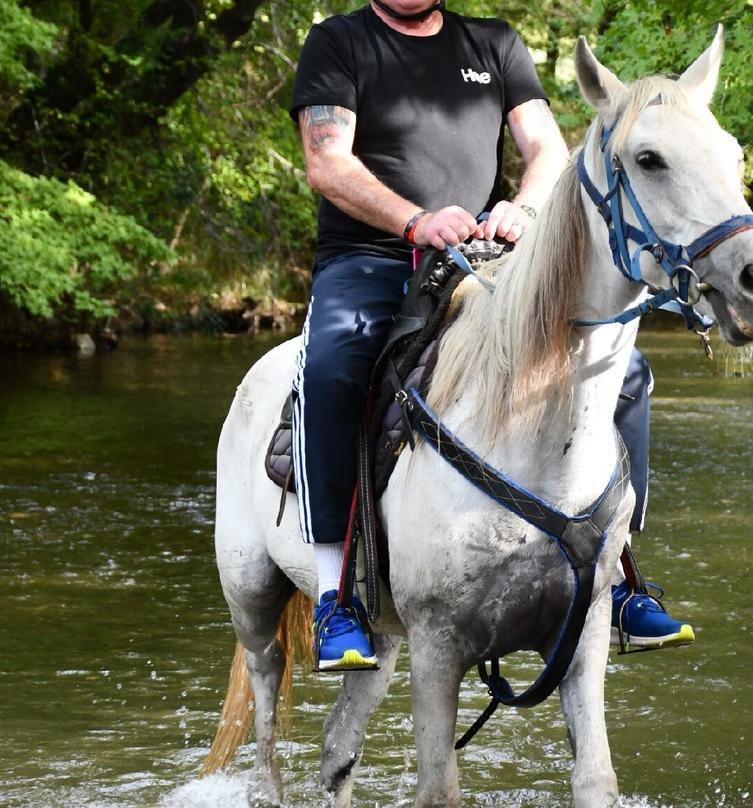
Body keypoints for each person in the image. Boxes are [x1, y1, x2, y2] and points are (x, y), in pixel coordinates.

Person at [289, 0, 692, 671]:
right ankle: (339, 596)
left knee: (624, 373)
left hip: (481, 255)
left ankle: (620, 580)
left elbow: (545, 148)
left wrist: (525, 207)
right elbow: (328, 163)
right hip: (371, 257)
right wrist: (414, 221)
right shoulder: (337, 42)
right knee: (334, 367)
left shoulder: (495, 44)